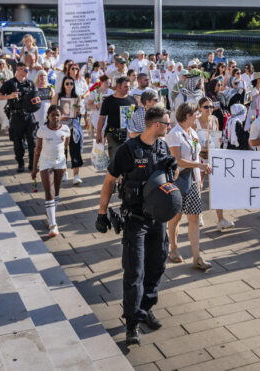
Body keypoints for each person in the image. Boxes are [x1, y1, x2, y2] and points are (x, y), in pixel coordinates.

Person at [96, 106, 174, 347]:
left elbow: (169, 179)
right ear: (155, 124)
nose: (169, 126)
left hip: (158, 220)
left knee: (157, 266)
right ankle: (132, 323)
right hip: (135, 220)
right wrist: (101, 213)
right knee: (134, 273)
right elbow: (109, 181)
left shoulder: (163, 147)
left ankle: (145, 308)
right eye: (166, 123)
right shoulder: (127, 150)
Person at [166, 103, 212, 271]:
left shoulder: (191, 132)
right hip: (179, 181)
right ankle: (173, 247)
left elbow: (195, 153)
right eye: (196, 114)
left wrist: (205, 153)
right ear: (187, 115)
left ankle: (196, 256)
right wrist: (198, 165)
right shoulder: (174, 134)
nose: (197, 116)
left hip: (193, 180)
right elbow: (176, 160)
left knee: (193, 218)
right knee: (176, 217)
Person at [194, 97, 233, 231]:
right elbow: (191, 139)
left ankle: (221, 219)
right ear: (200, 108)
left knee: (216, 186)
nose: (209, 109)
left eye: (211, 107)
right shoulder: (195, 122)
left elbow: (215, 137)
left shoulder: (215, 120)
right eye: (206, 107)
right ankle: (198, 214)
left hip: (212, 155)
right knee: (198, 185)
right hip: (199, 157)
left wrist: (219, 141)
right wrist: (200, 147)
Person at [32, 104, 70, 238]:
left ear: (61, 116)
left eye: (57, 115)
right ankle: (53, 225)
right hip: (45, 162)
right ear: (48, 116)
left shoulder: (65, 130)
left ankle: (50, 215)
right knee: (49, 191)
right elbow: (37, 150)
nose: (55, 117)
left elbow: (65, 148)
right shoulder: (42, 130)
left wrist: (66, 164)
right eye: (52, 115)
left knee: (57, 191)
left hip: (60, 162)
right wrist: (34, 168)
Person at [0, 63, 39, 172]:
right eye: (24, 70)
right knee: (18, 142)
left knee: (32, 141)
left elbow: (36, 98)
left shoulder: (30, 83)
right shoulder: (10, 83)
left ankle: (32, 164)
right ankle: (20, 163)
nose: (27, 72)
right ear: (18, 70)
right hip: (16, 115)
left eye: (27, 70)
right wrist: (9, 96)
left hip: (29, 116)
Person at [96, 76, 138, 163]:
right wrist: (98, 133)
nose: (128, 89)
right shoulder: (108, 101)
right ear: (118, 87)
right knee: (115, 159)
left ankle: (124, 176)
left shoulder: (132, 100)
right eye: (125, 87)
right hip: (113, 134)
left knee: (128, 159)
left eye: (129, 87)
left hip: (129, 134)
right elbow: (102, 118)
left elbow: (136, 117)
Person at [53, 76, 85, 185]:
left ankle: (76, 175)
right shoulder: (58, 96)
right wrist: (60, 117)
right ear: (63, 84)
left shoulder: (77, 97)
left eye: (71, 83)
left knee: (75, 150)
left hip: (73, 127)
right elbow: (52, 111)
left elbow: (79, 113)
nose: (69, 86)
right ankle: (64, 171)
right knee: (62, 150)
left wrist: (77, 110)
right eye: (67, 83)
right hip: (60, 127)